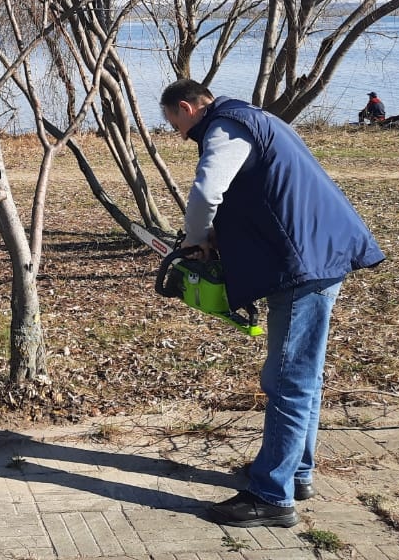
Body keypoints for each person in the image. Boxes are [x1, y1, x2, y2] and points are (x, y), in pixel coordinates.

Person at [159, 79, 385, 528]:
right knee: (302, 373)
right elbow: (265, 192)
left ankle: (271, 497)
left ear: (187, 107)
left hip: (305, 264)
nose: (180, 136)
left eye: (177, 125)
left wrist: (196, 239)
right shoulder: (257, 118)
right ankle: (295, 472)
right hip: (320, 252)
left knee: (287, 377)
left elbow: (206, 192)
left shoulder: (225, 127)